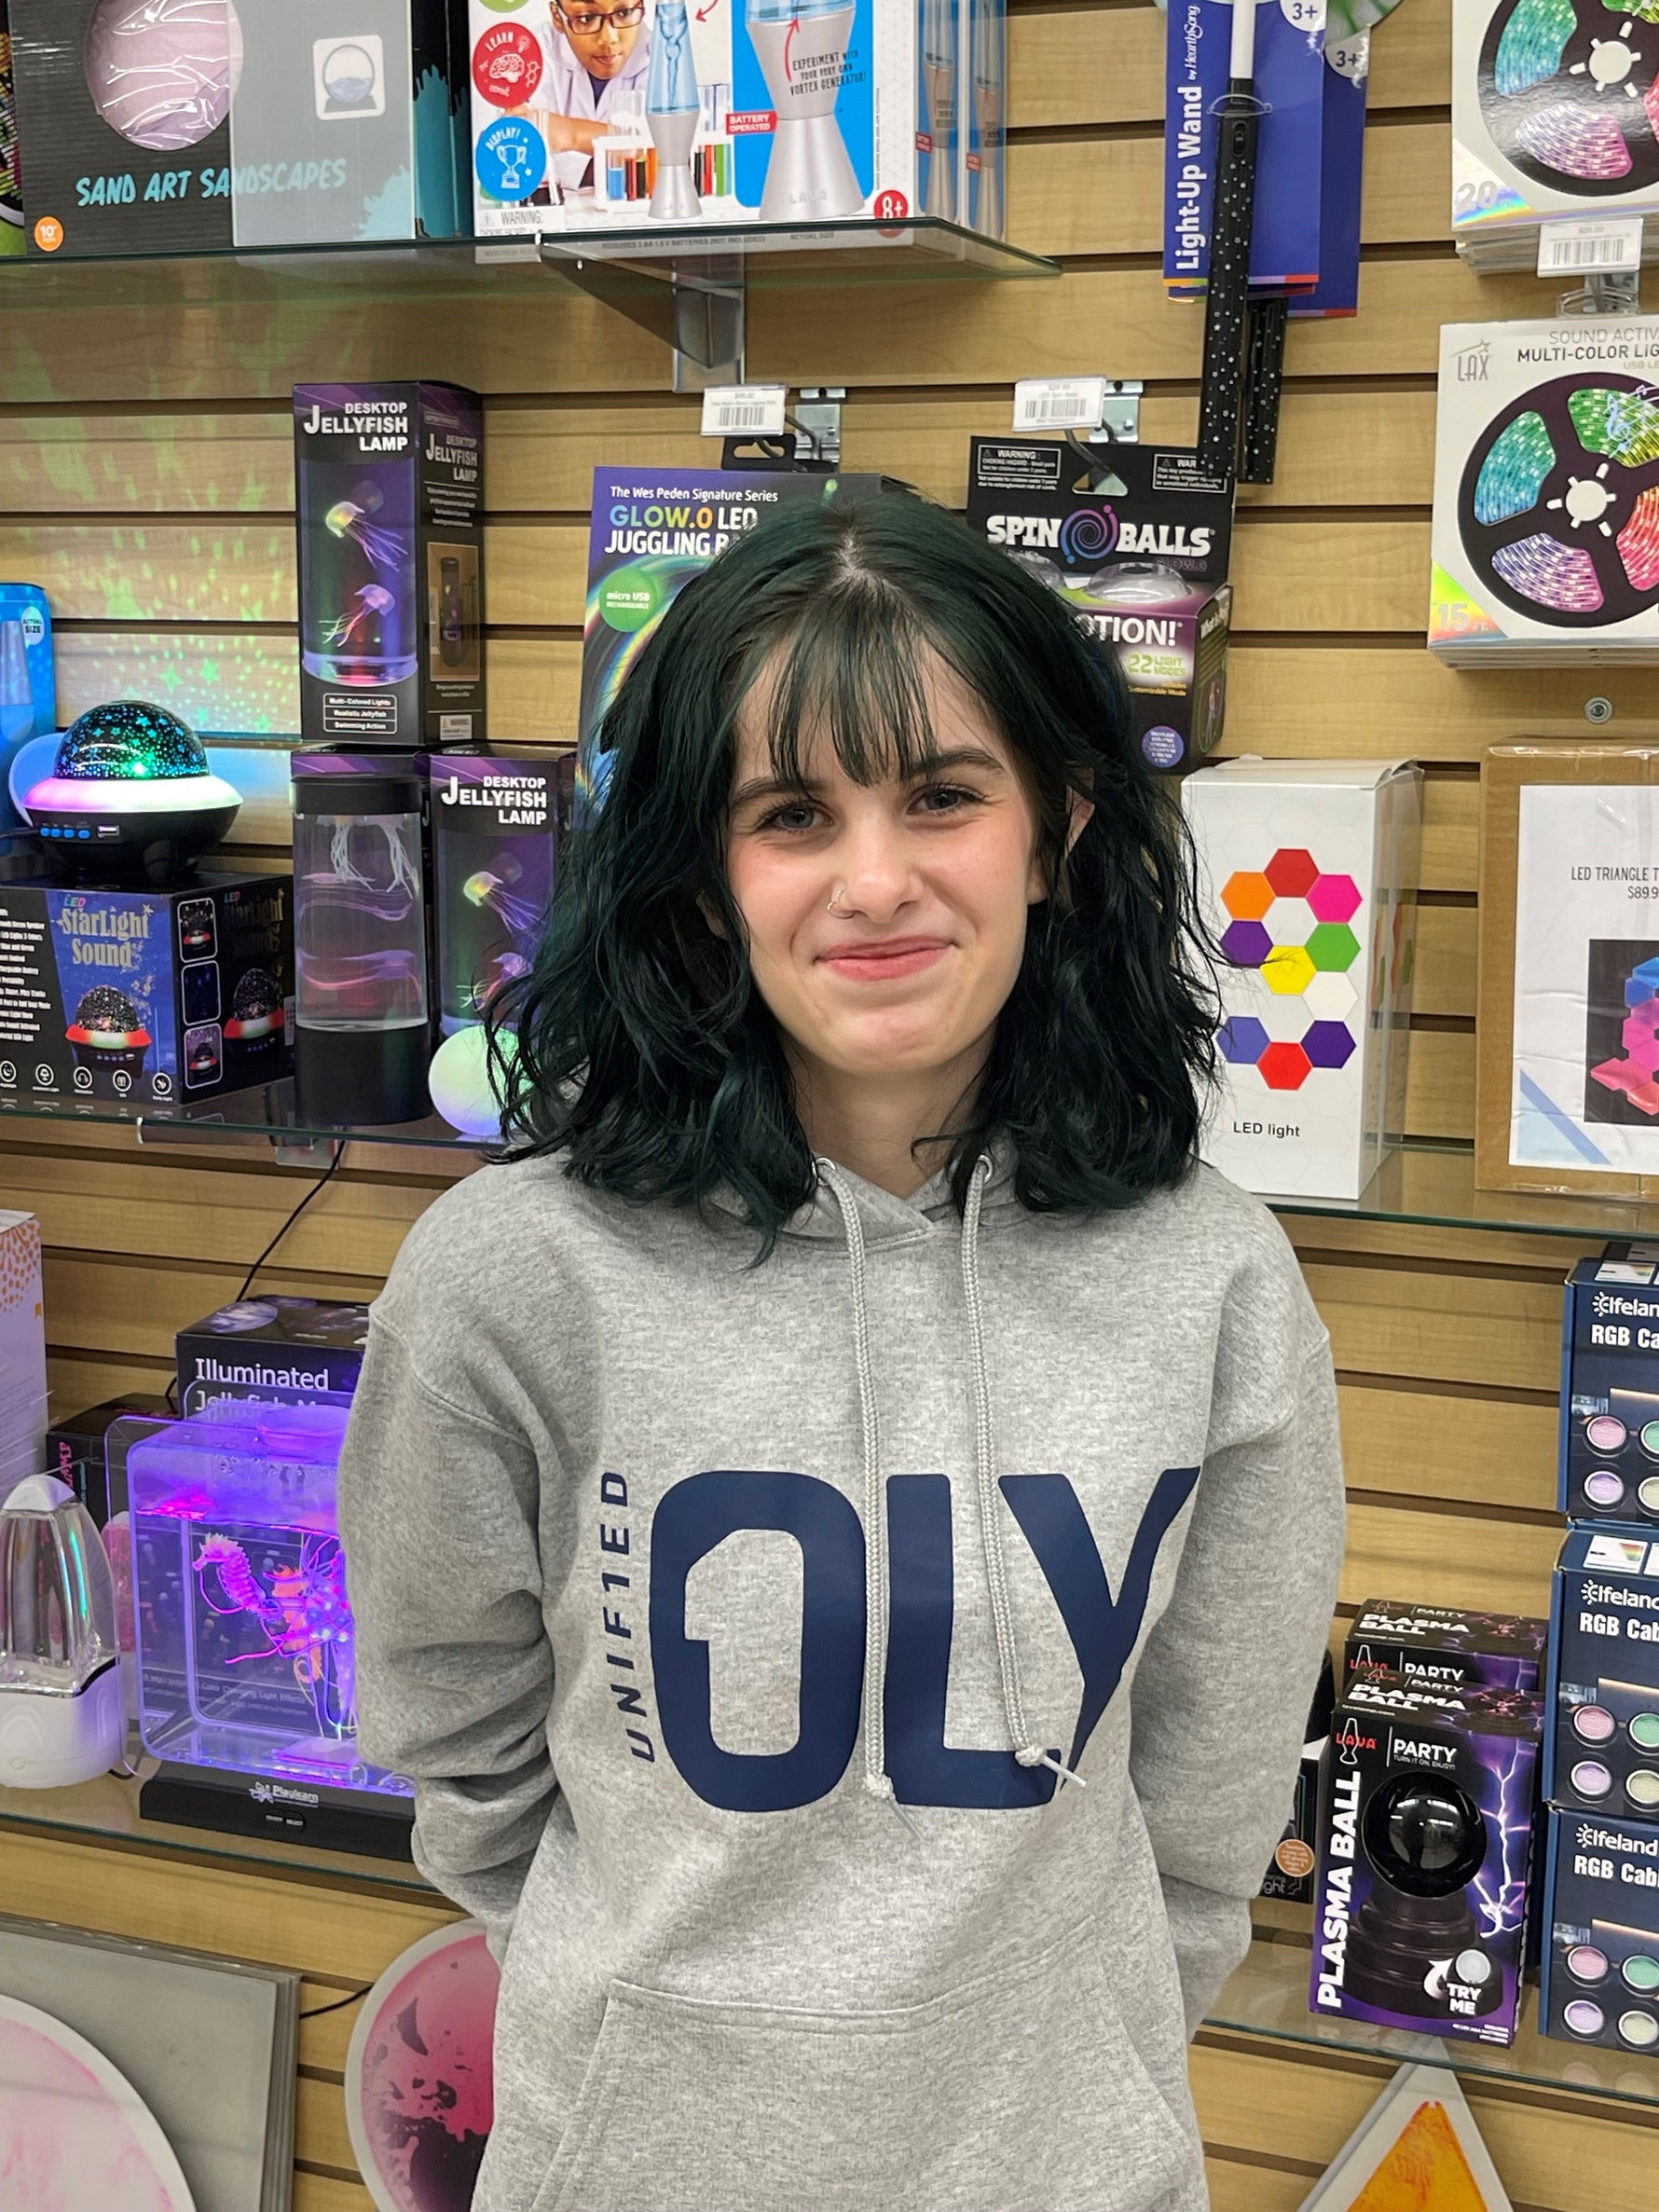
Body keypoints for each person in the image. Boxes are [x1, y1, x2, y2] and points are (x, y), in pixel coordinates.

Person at [338, 489, 1345, 2212]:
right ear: (705, 884)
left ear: (1058, 830)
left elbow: (1210, 1794)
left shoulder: (1213, 1279)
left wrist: (1072, 2045)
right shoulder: (512, 1277)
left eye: (943, 795)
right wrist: (658, 2006)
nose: (875, 878)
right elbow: (462, 1745)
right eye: (793, 811)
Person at [527, 0, 652, 200]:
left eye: (624, 12)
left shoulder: (663, 57)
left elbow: (665, 161)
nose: (609, 39)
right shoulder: (534, 49)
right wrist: (625, 148)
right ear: (558, 17)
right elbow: (525, 158)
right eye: (587, 18)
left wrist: (571, 135)